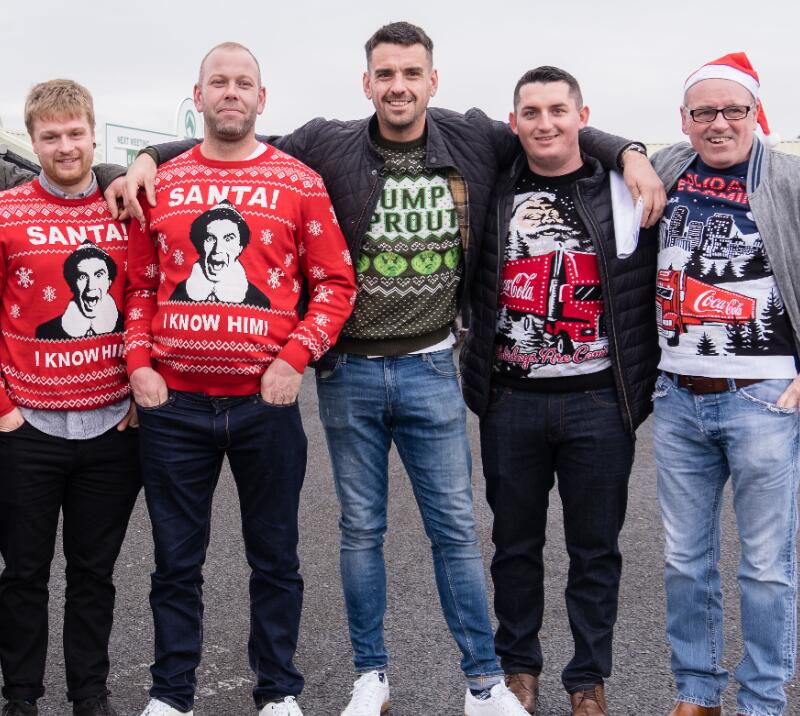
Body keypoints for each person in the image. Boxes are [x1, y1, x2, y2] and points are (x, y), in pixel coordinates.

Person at [123, 22, 664, 716]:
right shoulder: (329, 143)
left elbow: (554, 129)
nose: (398, 86)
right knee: (360, 532)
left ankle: (484, 684)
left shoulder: (472, 137)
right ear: (367, 83)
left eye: (411, 73)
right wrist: (145, 156)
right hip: (348, 372)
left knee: (456, 532)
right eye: (385, 74)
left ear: (432, 82)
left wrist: (630, 152)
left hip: (431, 367)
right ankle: (370, 678)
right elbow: (237, 138)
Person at [124, 42, 355, 716]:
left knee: (275, 559)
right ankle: (171, 696)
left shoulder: (299, 181)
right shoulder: (161, 183)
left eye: (243, 82)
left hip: (264, 407)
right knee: (175, 563)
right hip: (175, 408)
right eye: (218, 82)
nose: (231, 92)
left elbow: (336, 284)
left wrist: (294, 358)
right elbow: (138, 286)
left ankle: (278, 692)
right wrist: (139, 366)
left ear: (262, 97)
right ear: (198, 97)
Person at [460, 66, 660, 716]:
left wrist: (628, 152)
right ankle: (519, 668)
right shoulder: (494, 184)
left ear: (582, 116)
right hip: (511, 400)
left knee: (595, 550)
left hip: (600, 401)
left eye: (557, 110)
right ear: (514, 121)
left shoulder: (621, 188)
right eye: (531, 112)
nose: (545, 123)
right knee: (514, 547)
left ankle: (587, 680)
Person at [647, 53, 800, 716]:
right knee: (685, 560)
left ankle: (762, 700)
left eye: (733, 110)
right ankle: (698, 692)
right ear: (684, 119)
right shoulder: (666, 168)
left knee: (765, 567)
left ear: (754, 113)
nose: (718, 123)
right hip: (677, 396)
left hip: (763, 397)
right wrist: (627, 153)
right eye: (703, 111)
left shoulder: (788, 179)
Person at [0, 79, 140, 716]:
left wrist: (140, 384)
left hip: (112, 429)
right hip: (27, 428)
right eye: (51, 136)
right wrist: (4, 410)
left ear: (93, 134)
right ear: (33, 141)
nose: (65, 146)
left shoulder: (125, 211)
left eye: (75, 133)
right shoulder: (8, 213)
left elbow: (147, 299)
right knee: (23, 573)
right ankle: (21, 696)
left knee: (93, 575)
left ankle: (90, 694)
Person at [170, 200, 270, 306]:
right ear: (201, 244)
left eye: (228, 239)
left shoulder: (260, 301)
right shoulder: (178, 295)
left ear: (240, 247)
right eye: (210, 238)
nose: (217, 250)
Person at [36, 242, 123, 338]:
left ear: (109, 282)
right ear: (72, 284)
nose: (90, 286)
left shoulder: (125, 325)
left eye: (98, 275)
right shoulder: (46, 333)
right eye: (82, 276)